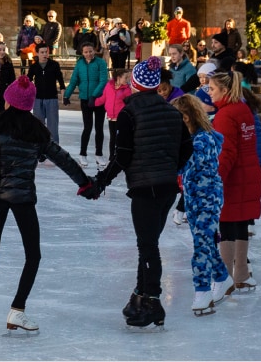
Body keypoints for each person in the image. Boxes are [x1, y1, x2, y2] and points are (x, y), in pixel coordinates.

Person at [0, 75, 94, 333]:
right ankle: (17, 311)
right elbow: (63, 158)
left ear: (9, 101)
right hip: (22, 197)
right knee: (33, 255)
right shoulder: (37, 132)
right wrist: (84, 183)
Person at [82, 56, 193, 329]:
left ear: (134, 85)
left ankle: (153, 303)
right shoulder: (172, 112)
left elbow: (122, 157)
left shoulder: (129, 114)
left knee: (148, 245)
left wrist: (100, 183)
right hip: (167, 188)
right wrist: (170, 167)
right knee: (148, 243)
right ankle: (140, 296)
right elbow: (187, 148)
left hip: (145, 188)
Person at [170, 95, 232, 316]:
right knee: (204, 242)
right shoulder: (190, 139)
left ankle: (202, 291)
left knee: (201, 247)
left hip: (208, 199)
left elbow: (186, 165)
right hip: (194, 200)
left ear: (185, 118)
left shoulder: (202, 141)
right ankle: (223, 278)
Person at [207, 71, 261, 297]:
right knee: (240, 224)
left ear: (225, 91)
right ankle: (241, 275)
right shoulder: (243, 109)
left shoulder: (225, 115)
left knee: (227, 225)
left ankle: (226, 278)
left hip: (233, 178)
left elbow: (226, 152)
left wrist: (215, 178)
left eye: (212, 89)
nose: (209, 93)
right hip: (247, 175)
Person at [62, 42, 108, 162]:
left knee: (99, 127)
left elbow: (103, 81)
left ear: (94, 51)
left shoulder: (101, 63)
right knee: (87, 127)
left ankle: (99, 154)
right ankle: (83, 154)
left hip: (98, 100)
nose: (88, 54)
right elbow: (74, 81)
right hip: (85, 100)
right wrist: (67, 95)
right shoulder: (80, 64)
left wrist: (94, 96)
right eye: (86, 52)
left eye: (90, 51)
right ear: (82, 53)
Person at [23, 42, 65, 143]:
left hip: (52, 99)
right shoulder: (34, 66)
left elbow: (61, 81)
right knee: (38, 126)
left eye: (46, 52)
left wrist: (64, 96)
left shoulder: (54, 65)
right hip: (37, 99)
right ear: (37, 53)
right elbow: (28, 81)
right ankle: (39, 148)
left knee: (53, 126)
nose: (45, 54)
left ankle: (54, 148)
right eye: (42, 52)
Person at [93, 69, 131, 172]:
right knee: (113, 138)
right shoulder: (109, 86)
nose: (127, 80)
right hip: (111, 117)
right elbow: (104, 98)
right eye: (126, 77)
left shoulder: (127, 90)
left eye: (128, 78)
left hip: (121, 118)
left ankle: (121, 158)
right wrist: (94, 102)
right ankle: (111, 158)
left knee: (120, 139)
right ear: (118, 77)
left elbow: (130, 103)